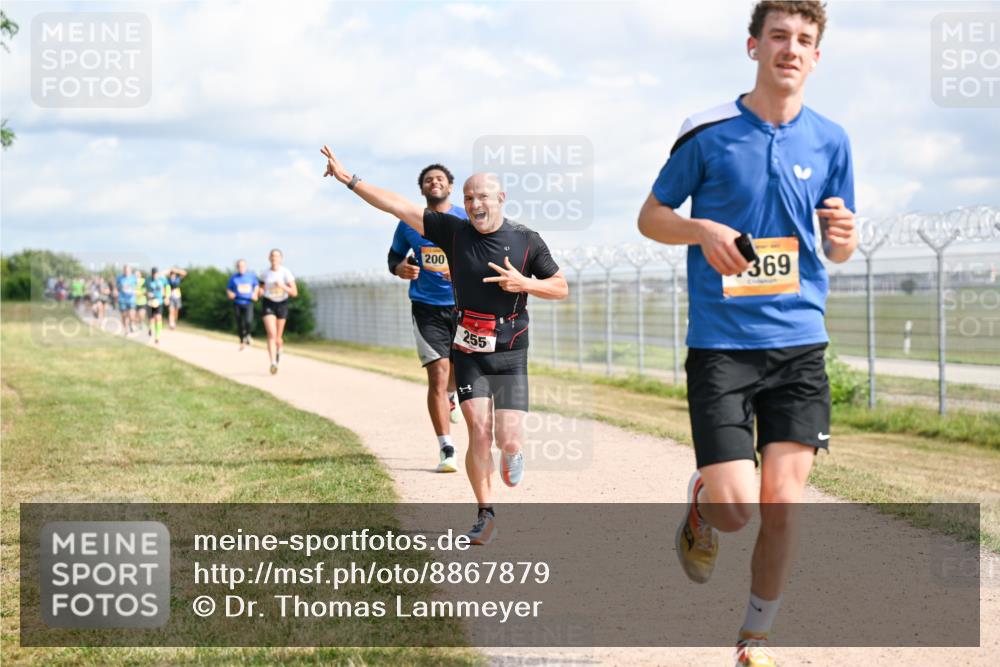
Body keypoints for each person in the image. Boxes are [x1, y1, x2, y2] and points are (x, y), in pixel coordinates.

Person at [637, 2, 857, 665]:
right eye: (779, 37)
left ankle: (754, 634)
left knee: (785, 502)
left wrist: (844, 240)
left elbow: (835, 244)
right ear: (753, 46)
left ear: (816, 57)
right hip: (721, 347)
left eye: (805, 40)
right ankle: (705, 499)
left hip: (799, 344)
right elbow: (651, 216)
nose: (791, 49)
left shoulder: (832, 140)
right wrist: (700, 229)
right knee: (738, 512)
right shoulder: (707, 133)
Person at [321, 146, 568, 545]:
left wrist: (527, 284)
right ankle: (484, 513)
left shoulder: (526, 241)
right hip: (467, 348)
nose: (474, 204)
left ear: (500, 199)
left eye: (482, 197)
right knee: (478, 430)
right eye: (468, 198)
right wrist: (349, 178)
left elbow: (560, 287)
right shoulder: (452, 231)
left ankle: (514, 451)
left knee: (508, 438)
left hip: (510, 351)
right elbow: (397, 205)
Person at [387, 163, 466, 473]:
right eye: (428, 180)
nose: (435, 183)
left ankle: (451, 395)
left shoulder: (464, 218)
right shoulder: (409, 222)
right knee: (438, 371)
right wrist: (399, 269)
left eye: (440, 179)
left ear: (450, 186)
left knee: (457, 371)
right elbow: (394, 256)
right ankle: (446, 447)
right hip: (426, 307)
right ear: (422, 189)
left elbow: (485, 253)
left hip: (463, 307)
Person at [259, 249, 297, 374]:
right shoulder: (265, 273)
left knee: (278, 338)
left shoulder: (286, 273)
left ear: (281, 259)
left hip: (282, 304)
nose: (274, 258)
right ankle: (273, 362)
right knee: (271, 334)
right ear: (269, 258)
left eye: (277, 256)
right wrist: (258, 292)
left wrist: (282, 286)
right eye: (272, 256)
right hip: (268, 303)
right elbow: (261, 287)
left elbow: (294, 293)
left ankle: (279, 348)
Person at [227, 259, 260, 351]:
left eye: (242, 266)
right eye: (239, 266)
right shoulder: (233, 278)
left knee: (248, 321)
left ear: (246, 267)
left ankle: (248, 334)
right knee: (239, 323)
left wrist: (255, 293)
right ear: (237, 267)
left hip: (248, 302)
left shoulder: (251, 276)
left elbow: (256, 286)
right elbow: (229, 289)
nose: (241, 268)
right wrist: (230, 294)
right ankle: (242, 341)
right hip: (237, 302)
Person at [145, 267, 169, 344]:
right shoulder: (148, 280)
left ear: (158, 274)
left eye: (156, 274)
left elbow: (167, 287)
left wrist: (167, 297)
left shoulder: (162, 279)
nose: (155, 275)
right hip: (150, 301)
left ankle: (157, 336)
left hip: (159, 301)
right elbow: (144, 289)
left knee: (158, 318)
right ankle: (150, 328)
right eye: (153, 274)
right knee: (151, 318)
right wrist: (146, 293)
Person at [115, 265, 137, 335]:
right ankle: (126, 329)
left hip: (131, 299)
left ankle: (132, 323)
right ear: (123, 270)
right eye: (125, 270)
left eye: (128, 270)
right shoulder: (119, 278)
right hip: (122, 299)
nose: (126, 272)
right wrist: (115, 291)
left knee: (131, 314)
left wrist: (135, 291)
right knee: (124, 316)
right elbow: (116, 287)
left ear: (130, 270)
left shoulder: (134, 278)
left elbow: (138, 287)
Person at [134, 270, 148, 334]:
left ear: (140, 274)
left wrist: (139, 293)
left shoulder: (144, 281)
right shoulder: (132, 281)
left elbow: (146, 290)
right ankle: (135, 326)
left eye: (138, 274)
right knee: (136, 316)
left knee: (142, 315)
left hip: (142, 301)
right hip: (134, 302)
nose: (137, 275)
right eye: (135, 274)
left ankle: (141, 324)